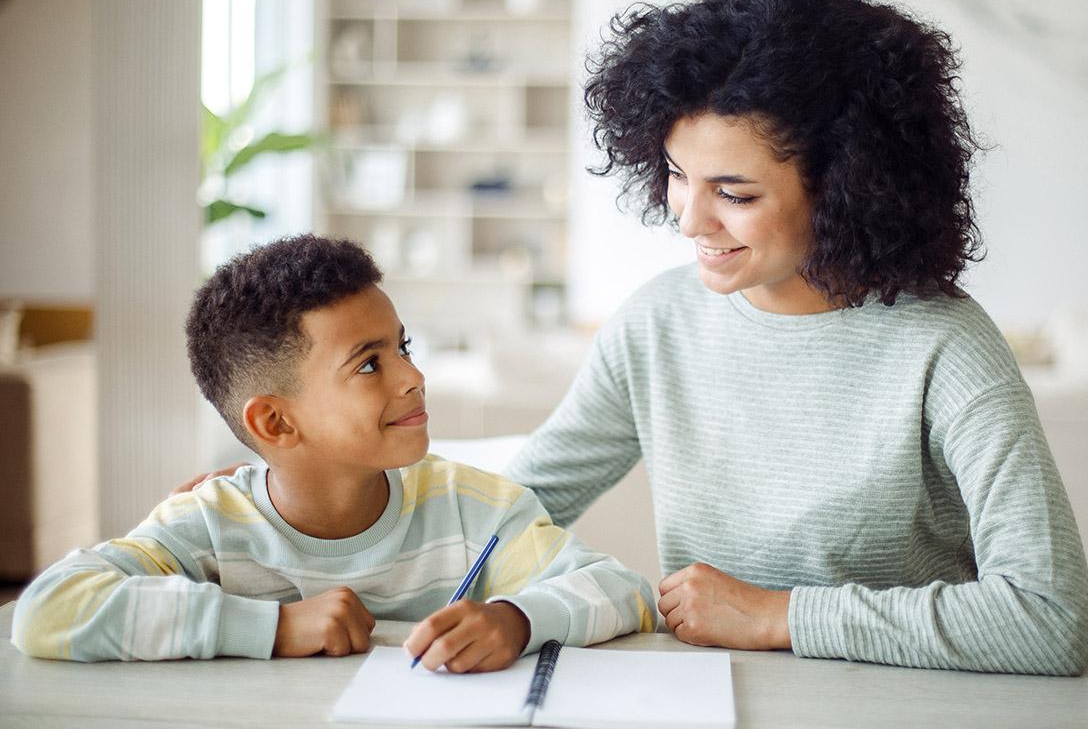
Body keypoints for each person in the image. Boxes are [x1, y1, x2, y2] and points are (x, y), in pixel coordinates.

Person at [175, 0, 1088, 676]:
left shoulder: (946, 348)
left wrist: (777, 615)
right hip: (705, 699)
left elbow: (1048, 619)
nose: (688, 221)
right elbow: (522, 496)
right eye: (678, 178)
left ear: (851, 186)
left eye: (732, 192)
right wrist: (302, 491)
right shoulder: (661, 322)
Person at [11, 235, 655, 667]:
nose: (412, 377)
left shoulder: (473, 507)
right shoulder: (207, 522)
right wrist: (276, 629)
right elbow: (47, 610)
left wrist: (518, 619)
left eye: (401, 348)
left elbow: (623, 592)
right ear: (276, 424)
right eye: (368, 365)